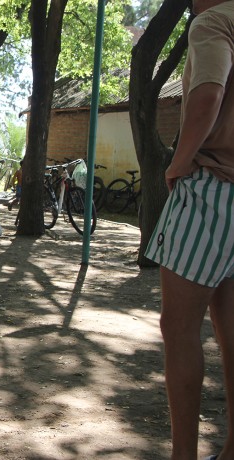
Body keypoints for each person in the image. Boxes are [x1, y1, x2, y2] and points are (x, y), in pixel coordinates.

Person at [143, 1, 234, 458]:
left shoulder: (213, 21)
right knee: (231, 327)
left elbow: (207, 96)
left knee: (178, 327)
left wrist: (178, 164)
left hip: (211, 189)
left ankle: (184, 454)